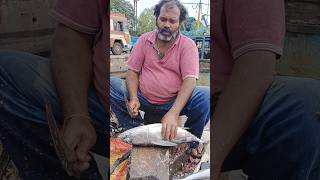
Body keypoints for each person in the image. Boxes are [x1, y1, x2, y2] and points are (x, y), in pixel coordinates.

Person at [212, 0, 320, 179]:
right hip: (174, 117)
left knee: (306, 105)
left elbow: (257, 62)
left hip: (225, 112)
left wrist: (213, 157)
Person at [0, 0, 107, 179]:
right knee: (4, 72)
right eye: (163, 19)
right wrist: (76, 114)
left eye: (172, 21)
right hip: (104, 108)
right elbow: (73, 34)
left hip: (157, 122)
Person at [110, 0, 210, 158]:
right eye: (163, 19)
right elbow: (132, 72)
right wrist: (134, 97)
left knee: (205, 95)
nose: (167, 25)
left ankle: (188, 144)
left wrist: (174, 112)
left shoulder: (188, 46)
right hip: (144, 99)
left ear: (180, 23)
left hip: (173, 102)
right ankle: (136, 130)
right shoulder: (143, 40)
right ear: (156, 18)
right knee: (112, 84)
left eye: (172, 21)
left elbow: (190, 80)